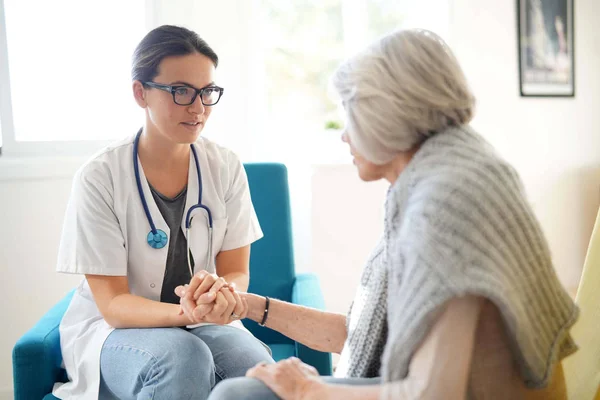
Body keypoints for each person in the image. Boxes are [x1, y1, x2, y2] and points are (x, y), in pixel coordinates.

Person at [198, 29, 579, 400]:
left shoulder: (445, 206)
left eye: (352, 115)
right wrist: (247, 305)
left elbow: (434, 392)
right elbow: (364, 335)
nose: (344, 135)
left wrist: (309, 390)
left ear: (387, 113)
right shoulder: (443, 174)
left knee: (239, 394)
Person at [53, 25, 273, 400]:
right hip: (118, 330)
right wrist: (188, 313)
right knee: (182, 357)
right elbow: (114, 304)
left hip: (201, 322)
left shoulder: (226, 166)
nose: (198, 107)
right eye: (181, 91)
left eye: (207, 92)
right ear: (141, 92)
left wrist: (223, 295)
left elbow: (237, 270)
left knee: (258, 369)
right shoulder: (99, 176)